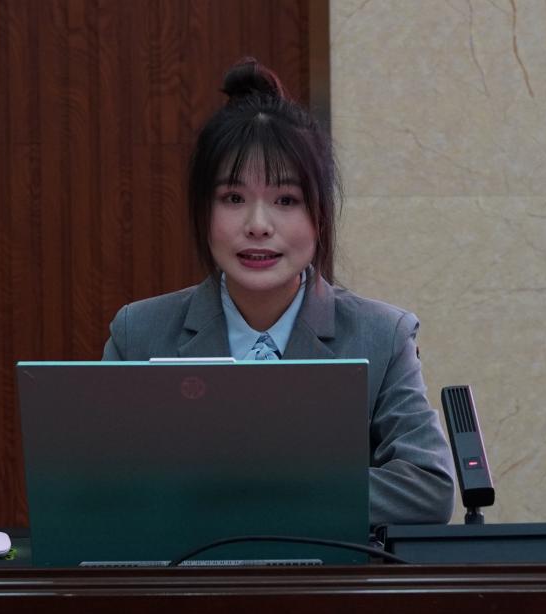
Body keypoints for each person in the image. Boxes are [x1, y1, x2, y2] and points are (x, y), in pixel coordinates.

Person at [103, 58, 454, 526]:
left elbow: (428, 489)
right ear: (203, 212)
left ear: (320, 216)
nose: (258, 225)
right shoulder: (139, 333)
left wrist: (260, 494)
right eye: (233, 199)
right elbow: (96, 487)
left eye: (286, 200)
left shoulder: (382, 336)